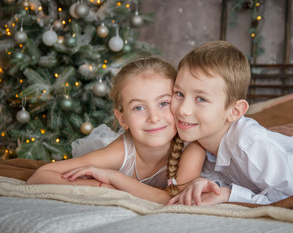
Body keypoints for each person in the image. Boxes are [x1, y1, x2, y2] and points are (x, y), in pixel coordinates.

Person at [167, 41, 293, 206]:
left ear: (235, 111)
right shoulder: (201, 144)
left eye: (200, 98)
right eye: (179, 94)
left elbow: (287, 197)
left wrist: (229, 195)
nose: (183, 109)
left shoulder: (249, 142)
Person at [27, 57, 205, 204]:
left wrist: (114, 178)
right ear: (123, 119)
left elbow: (174, 200)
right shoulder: (122, 152)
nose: (154, 117)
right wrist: (103, 188)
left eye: (164, 103)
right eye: (138, 108)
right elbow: (40, 176)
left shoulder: (192, 147)